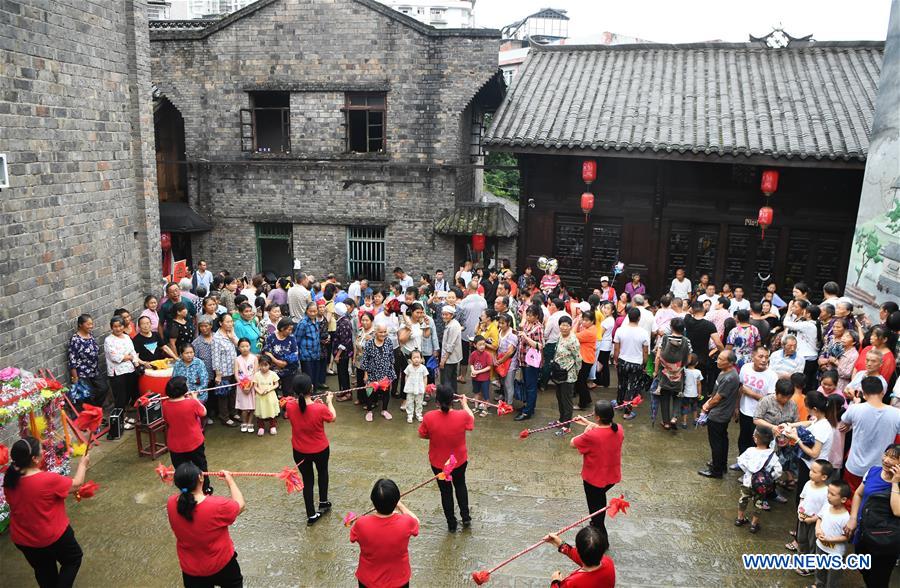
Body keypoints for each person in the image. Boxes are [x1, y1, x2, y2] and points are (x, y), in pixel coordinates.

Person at [4, 437, 90, 588]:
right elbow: (76, 484)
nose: (44, 452)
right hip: (50, 535)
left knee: (44, 570)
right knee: (73, 559)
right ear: (35, 459)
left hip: (24, 539)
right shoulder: (46, 480)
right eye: (41, 450)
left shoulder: (10, 477)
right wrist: (82, 464)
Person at [167, 462, 245, 588]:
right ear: (201, 478)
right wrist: (230, 481)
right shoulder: (217, 506)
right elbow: (240, 505)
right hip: (222, 566)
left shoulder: (171, 503)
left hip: (191, 571)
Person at [419, 385, 474, 531]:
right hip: (459, 460)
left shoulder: (429, 417)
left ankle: (451, 523)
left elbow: (422, 434)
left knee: (445, 491)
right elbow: (471, 420)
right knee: (461, 485)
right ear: (452, 401)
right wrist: (465, 404)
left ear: (437, 401)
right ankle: (466, 517)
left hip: (438, 462)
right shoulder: (462, 416)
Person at [844, 444, 900, 587]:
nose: (886, 460)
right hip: (864, 532)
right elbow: (858, 493)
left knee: (879, 579)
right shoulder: (873, 471)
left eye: (893, 458)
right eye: (886, 454)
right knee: (863, 567)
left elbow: (897, 511)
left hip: (885, 539)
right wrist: (853, 518)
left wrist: (895, 482)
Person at [285, 373, 335, 526]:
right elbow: (332, 417)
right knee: (323, 473)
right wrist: (329, 401)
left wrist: (314, 402)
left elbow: (301, 406)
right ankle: (323, 502)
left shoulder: (290, 405)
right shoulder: (320, 408)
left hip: (300, 450)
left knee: (308, 480)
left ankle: (311, 514)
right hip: (320, 449)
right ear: (311, 388)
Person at [349, 479, 419, 588]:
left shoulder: (361, 523)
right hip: (399, 580)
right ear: (395, 502)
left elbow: (353, 538)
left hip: (368, 580)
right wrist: (401, 506)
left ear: (373, 500)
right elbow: (416, 521)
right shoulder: (406, 522)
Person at [838, 377, 900, 492]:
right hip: (881, 469)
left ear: (864, 394)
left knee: (849, 499)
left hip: (854, 467)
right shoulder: (897, 414)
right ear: (883, 392)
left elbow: (844, 422)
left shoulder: (855, 409)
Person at [571, 400, 623, 534]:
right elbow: (603, 430)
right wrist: (588, 423)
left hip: (594, 480)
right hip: (611, 477)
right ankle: (596, 525)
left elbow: (573, 443)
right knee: (599, 500)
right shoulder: (619, 429)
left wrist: (586, 430)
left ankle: (599, 534)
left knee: (596, 509)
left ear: (598, 417)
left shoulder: (591, 436)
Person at [782, 391, 836, 511]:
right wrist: (791, 425)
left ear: (815, 408)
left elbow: (814, 453)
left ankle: (800, 526)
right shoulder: (819, 419)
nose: (806, 409)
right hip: (807, 464)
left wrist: (797, 440)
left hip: (814, 468)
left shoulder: (823, 428)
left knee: (805, 498)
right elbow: (809, 423)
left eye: (807, 407)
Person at [163, 377, 212, 494]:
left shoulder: (165, 405)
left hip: (175, 445)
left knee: (182, 471)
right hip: (194, 442)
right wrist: (195, 399)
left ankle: (186, 492)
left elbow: (167, 420)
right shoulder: (191, 403)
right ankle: (205, 489)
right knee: (200, 467)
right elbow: (203, 412)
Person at [698, 350, 741, 478]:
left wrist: (706, 407)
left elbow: (718, 398)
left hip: (719, 414)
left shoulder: (730, 378)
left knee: (716, 443)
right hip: (720, 412)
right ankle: (721, 465)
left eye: (722, 359)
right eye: (719, 358)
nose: (718, 361)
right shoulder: (724, 372)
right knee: (722, 440)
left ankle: (716, 471)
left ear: (731, 363)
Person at [735, 347, 777, 463]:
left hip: (760, 416)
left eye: (766, 357)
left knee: (757, 441)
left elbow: (770, 400)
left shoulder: (772, 375)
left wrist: (750, 393)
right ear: (753, 357)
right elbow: (740, 389)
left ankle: (754, 467)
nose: (764, 360)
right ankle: (742, 462)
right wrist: (737, 407)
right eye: (760, 357)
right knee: (743, 438)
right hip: (744, 411)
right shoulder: (745, 368)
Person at [735, 426, 782, 534]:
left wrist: (748, 471)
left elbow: (740, 461)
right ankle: (753, 525)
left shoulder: (750, 451)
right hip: (761, 486)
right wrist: (770, 477)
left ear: (755, 439)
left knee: (743, 500)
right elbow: (778, 471)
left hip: (747, 482)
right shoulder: (772, 455)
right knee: (758, 504)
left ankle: (740, 519)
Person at [786, 459, 832, 564]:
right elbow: (802, 498)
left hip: (815, 523)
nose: (810, 473)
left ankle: (810, 564)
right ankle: (801, 558)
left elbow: (825, 510)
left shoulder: (826, 491)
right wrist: (799, 510)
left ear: (824, 477)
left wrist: (813, 519)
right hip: (803, 518)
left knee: (812, 543)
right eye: (811, 470)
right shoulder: (808, 483)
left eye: (814, 472)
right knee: (801, 540)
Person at [543, 526, 616, 587]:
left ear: (577, 550)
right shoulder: (609, 562)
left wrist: (555, 581)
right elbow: (588, 555)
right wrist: (560, 544)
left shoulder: (572, 583)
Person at [612, 307, 649, 420]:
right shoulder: (643, 332)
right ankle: (627, 412)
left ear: (628, 317)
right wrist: (644, 364)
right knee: (631, 387)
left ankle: (619, 403)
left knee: (621, 383)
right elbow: (645, 351)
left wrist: (615, 360)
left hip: (622, 361)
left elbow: (616, 349)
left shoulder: (620, 330)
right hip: (636, 363)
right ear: (639, 318)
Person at [813, 481, 852, 588]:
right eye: (828, 492)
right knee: (819, 569)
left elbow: (846, 537)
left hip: (836, 553)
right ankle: (819, 584)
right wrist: (817, 529)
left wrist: (830, 540)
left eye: (832, 494)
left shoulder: (846, 518)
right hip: (820, 546)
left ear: (843, 499)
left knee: (833, 576)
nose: (828, 496)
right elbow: (820, 518)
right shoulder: (826, 506)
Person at [655, 317, 691, 430]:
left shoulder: (665, 338)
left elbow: (658, 356)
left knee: (664, 396)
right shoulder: (686, 341)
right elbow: (689, 359)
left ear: (671, 327)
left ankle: (666, 422)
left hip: (664, 373)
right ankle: (674, 417)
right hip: (679, 373)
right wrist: (679, 367)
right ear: (683, 328)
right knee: (677, 395)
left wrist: (656, 371)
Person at [67, 314, 108, 409]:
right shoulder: (75, 339)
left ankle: (96, 410)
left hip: (94, 370)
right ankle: (93, 415)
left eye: (92, 324)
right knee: (88, 395)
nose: (91, 326)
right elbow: (72, 360)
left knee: (103, 388)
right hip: (82, 373)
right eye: (88, 324)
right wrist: (75, 377)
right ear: (81, 325)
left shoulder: (90, 335)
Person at [105, 315, 138, 429]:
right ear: (111, 327)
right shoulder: (109, 340)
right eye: (115, 326)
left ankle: (124, 416)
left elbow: (133, 352)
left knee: (127, 396)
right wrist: (127, 357)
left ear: (124, 326)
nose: (118, 329)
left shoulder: (126, 337)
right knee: (120, 398)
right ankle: (120, 422)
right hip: (117, 372)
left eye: (120, 326)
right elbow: (115, 357)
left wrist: (133, 359)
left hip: (130, 370)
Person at [782, 300, 822, 390]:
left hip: (806, 357)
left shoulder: (807, 325)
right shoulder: (817, 324)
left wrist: (789, 311)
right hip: (812, 357)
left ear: (808, 314)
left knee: (800, 383)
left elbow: (786, 323)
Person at [360, 323, 396, 421]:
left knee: (385, 393)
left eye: (385, 332)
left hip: (385, 373)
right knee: (370, 393)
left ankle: (384, 410)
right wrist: (366, 374)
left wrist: (391, 374)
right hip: (372, 374)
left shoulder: (388, 342)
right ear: (375, 332)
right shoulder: (369, 343)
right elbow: (365, 360)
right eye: (381, 332)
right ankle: (369, 411)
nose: (383, 334)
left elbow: (391, 358)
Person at [552, 316, 581, 433]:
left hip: (569, 375)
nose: (564, 328)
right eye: (562, 325)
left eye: (566, 325)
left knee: (567, 400)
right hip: (559, 373)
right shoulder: (560, 337)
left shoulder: (573, 340)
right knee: (559, 397)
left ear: (570, 326)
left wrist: (576, 372)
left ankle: (567, 425)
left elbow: (578, 358)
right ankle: (561, 420)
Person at [516, 304, 545, 421]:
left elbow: (540, 346)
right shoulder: (528, 324)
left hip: (531, 362)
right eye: (527, 315)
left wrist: (526, 338)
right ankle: (528, 406)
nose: (528, 317)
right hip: (523, 360)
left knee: (531, 386)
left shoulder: (538, 328)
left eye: (530, 315)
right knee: (526, 384)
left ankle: (528, 411)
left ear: (536, 316)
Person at [262, 317, 298, 389]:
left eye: (291, 329)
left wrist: (285, 362)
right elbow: (266, 352)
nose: (290, 331)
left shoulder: (292, 337)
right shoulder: (271, 337)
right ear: (282, 328)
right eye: (289, 329)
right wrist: (276, 361)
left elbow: (295, 353)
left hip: (289, 370)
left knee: (288, 393)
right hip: (274, 369)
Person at [495, 314, 519, 405]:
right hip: (501, 362)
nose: (500, 325)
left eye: (502, 323)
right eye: (499, 323)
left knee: (509, 384)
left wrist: (500, 361)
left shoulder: (512, 335)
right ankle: (505, 401)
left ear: (508, 323)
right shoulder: (500, 330)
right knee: (504, 383)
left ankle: (509, 404)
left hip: (510, 363)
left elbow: (510, 352)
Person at [467, 336, 494, 416]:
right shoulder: (473, 354)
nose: (482, 346)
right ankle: (476, 407)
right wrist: (473, 370)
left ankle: (485, 409)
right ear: (475, 345)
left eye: (483, 344)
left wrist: (477, 371)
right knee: (476, 392)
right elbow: (471, 364)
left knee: (485, 394)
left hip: (485, 378)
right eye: (480, 345)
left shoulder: (487, 355)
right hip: (475, 378)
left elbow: (489, 367)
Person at [439, 305, 463, 393]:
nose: (444, 316)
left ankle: (447, 397)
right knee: (452, 377)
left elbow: (450, 345)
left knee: (446, 379)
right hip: (454, 357)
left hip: (449, 358)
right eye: (443, 314)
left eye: (446, 315)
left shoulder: (452, 326)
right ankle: (454, 395)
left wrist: (443, 360)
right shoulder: (453, 323)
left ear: (452, 315)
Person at [404, 349, 429, 423]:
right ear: (411, 359)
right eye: (414, 358)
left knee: (419, 402)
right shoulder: (409, 367)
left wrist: (425, 386)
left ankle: (418, 414)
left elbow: (425, 377)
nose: (416, 359)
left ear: (421, 359)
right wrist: (406, 384)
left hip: (419, 388)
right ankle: (410, 414)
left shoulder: (423, 368)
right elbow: (406, 376)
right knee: (409, 402)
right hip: (410, 388)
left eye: (418, 357)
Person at [681, 354, 703, 429]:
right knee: (694, 408)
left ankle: (684, 422)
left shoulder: (685, 371)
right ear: (697, 363)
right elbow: (699, 384)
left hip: (686, 394)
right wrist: (699, 394)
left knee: (685, 408)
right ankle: (695, 420)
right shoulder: (698, 372)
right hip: (695, 394)